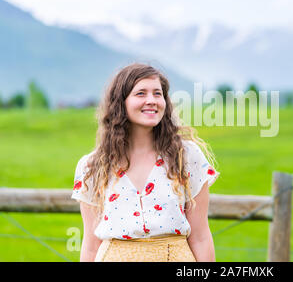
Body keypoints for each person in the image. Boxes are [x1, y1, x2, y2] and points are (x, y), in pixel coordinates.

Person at [71, 63, 220, 262]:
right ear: (120, 102)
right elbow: (90, 246)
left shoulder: (186, 157)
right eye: (141, 93)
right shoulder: (92, 166)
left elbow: (201, 238)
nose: (151, 100)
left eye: (157, 94)